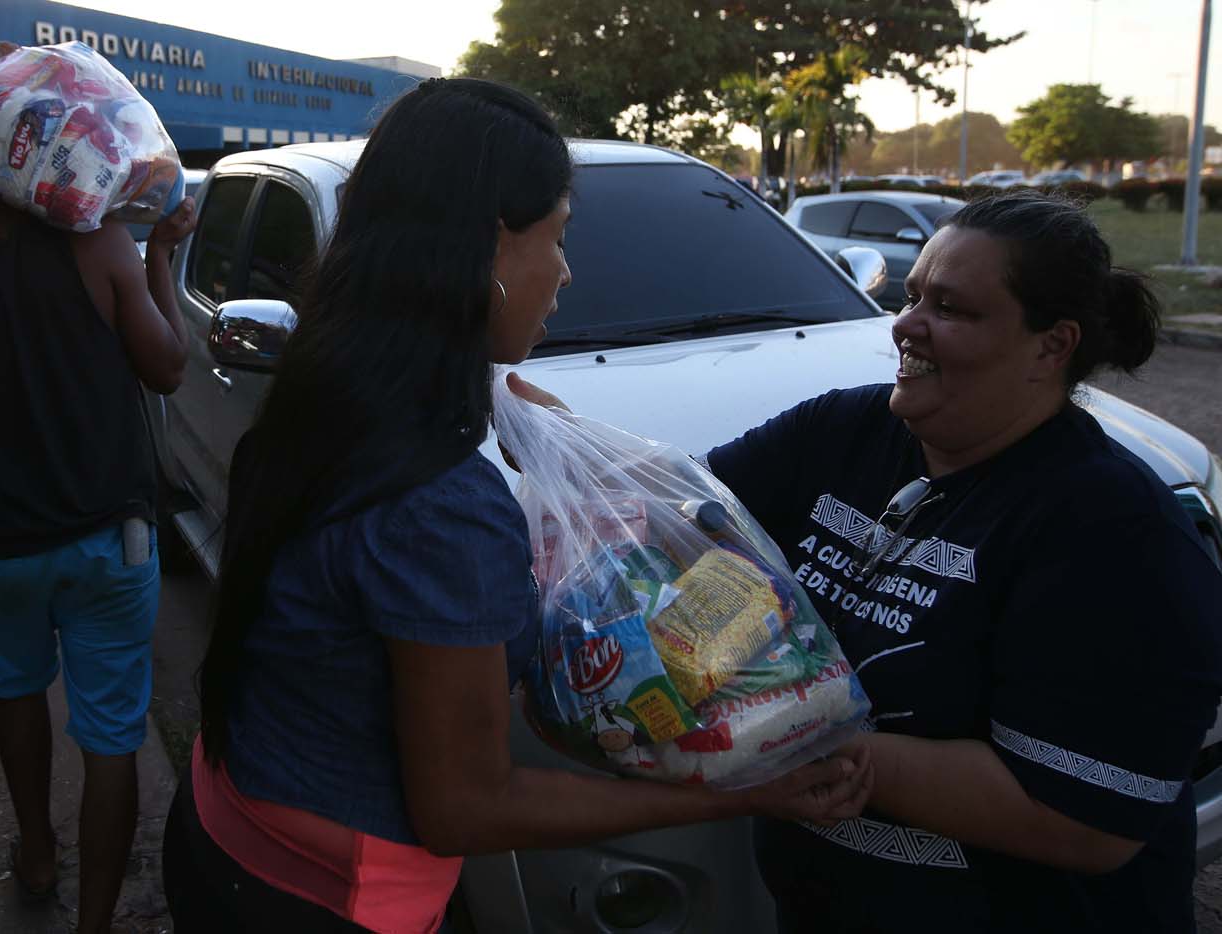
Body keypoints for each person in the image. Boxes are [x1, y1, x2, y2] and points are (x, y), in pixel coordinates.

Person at [159, 76, 872, 934]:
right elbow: (466, 808)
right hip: (321, 899)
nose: (566, 273)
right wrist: (743, 796)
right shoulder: (439, 498)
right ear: (490, 249)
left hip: (226, 825)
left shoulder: (338, 389)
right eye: (559, 238)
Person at [661, 191, 1221, 932]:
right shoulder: (843, 432)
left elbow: (1084, 822)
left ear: (1052, 346)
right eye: (912, 293)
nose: (905, 323)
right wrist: (570, 461)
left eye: (950, 309)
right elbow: (679, 521)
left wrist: (796, 738)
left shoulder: (1112, 530)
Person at [0, 119, 194, 932]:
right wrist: (159, 253)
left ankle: (35, 849)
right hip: (106, 538)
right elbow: (168, 366)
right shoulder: (99, 246)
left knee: (15, 695)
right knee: (111, 736)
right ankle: (94, 921)